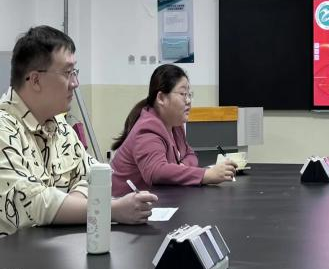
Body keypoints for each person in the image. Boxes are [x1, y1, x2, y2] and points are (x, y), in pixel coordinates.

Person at [0, 25, 157, 237]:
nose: (75, 83)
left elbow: (96, 173)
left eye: (75, 72)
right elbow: (32, 203)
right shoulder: (4, 129)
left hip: (57, 247)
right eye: (67, 73)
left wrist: (72, 202)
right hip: (15, 255)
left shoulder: (59, 125)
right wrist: (110, 210)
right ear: (35, 80)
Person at [110, 64, 236, 197]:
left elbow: (190, 155)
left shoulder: (175, 124)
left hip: (157, 198)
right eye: (183, 94)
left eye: (189, 94)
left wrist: (181, 166)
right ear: (161, 98)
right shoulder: (147, 129)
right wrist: (206, 175)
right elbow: (156, 171)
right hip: (123, 203)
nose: (188, 101)